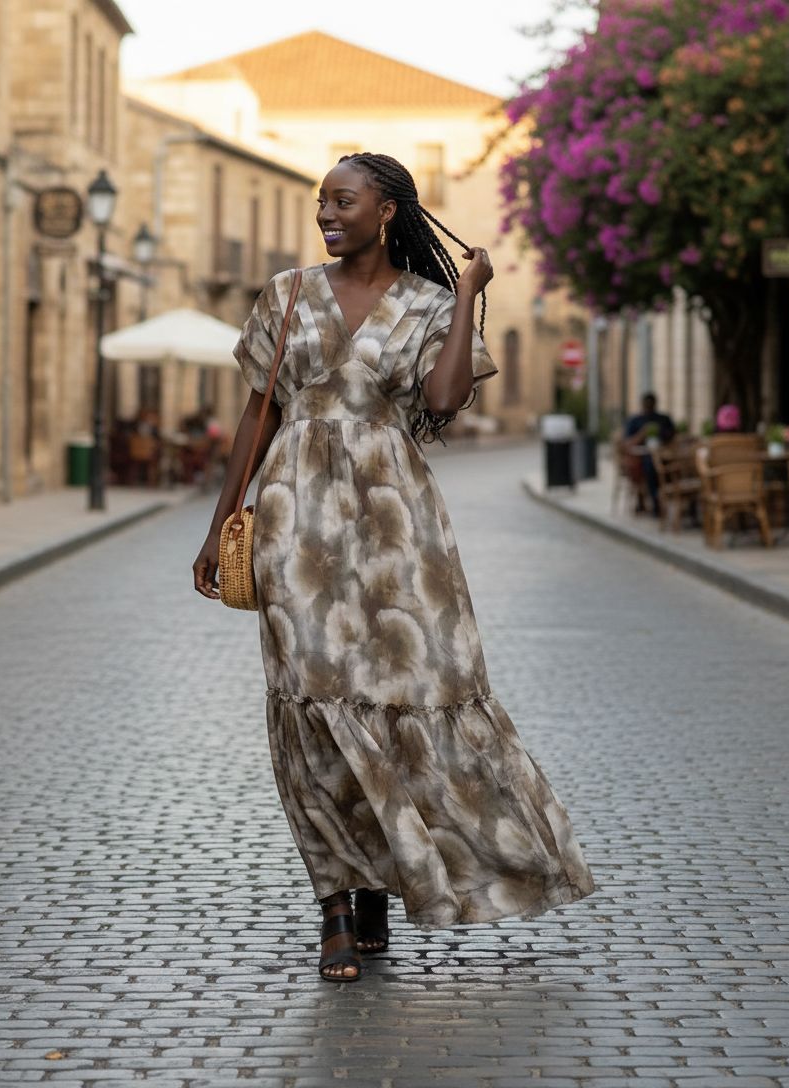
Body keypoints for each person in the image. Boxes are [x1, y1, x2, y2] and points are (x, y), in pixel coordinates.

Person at [192, 152, 595, 982]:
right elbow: (259, 410)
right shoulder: (287, 293)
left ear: (387, 211)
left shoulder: (428, 303)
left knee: (412, 695)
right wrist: (221, 520)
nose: (326, 213)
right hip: (293, 519)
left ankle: (381, 884)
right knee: (311, 705)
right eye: (320, 201)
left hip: (397, 525)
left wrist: (471, 299)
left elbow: (444, 400)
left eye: (344, 200)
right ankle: (337, 903)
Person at [623, 392, 676, 515]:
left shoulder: (663, 419)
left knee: (667, 467)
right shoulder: (635, 421)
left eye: (651, 405)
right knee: (649, 466)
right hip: (641, 460)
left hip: (664, 456)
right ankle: (654, 501)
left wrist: (661, 433)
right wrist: (642, 434)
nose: (649, 407)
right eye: (647, 405)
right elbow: (627, 444)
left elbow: (673, 435)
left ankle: (662, 499)